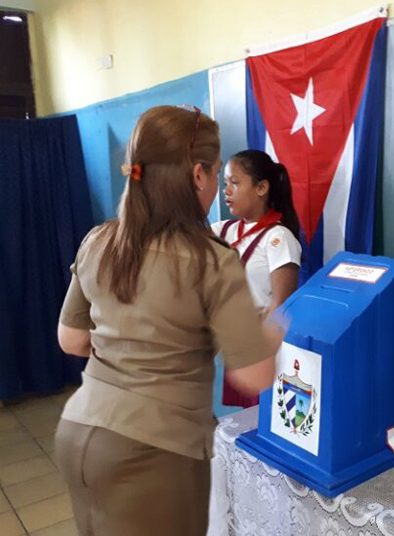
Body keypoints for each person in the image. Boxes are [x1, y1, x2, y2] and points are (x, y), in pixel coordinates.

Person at [55, 105, 282, 536]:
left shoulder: (100, 240)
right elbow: (254, 374)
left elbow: (72, 341)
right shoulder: (210, 260)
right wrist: (275, 330)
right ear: (197, 175)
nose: (219, 186)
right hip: (155, 453)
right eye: (217, 174)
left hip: (81, 436)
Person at [211, 149, 302, 407]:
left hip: (263, 350)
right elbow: (181, 234)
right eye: (224, 183)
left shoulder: (278, 238)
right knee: (243, 423)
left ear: (261, 187)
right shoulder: (224, 230)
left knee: (265, 417)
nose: (226, 191)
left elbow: (282, 304)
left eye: (235, 183)